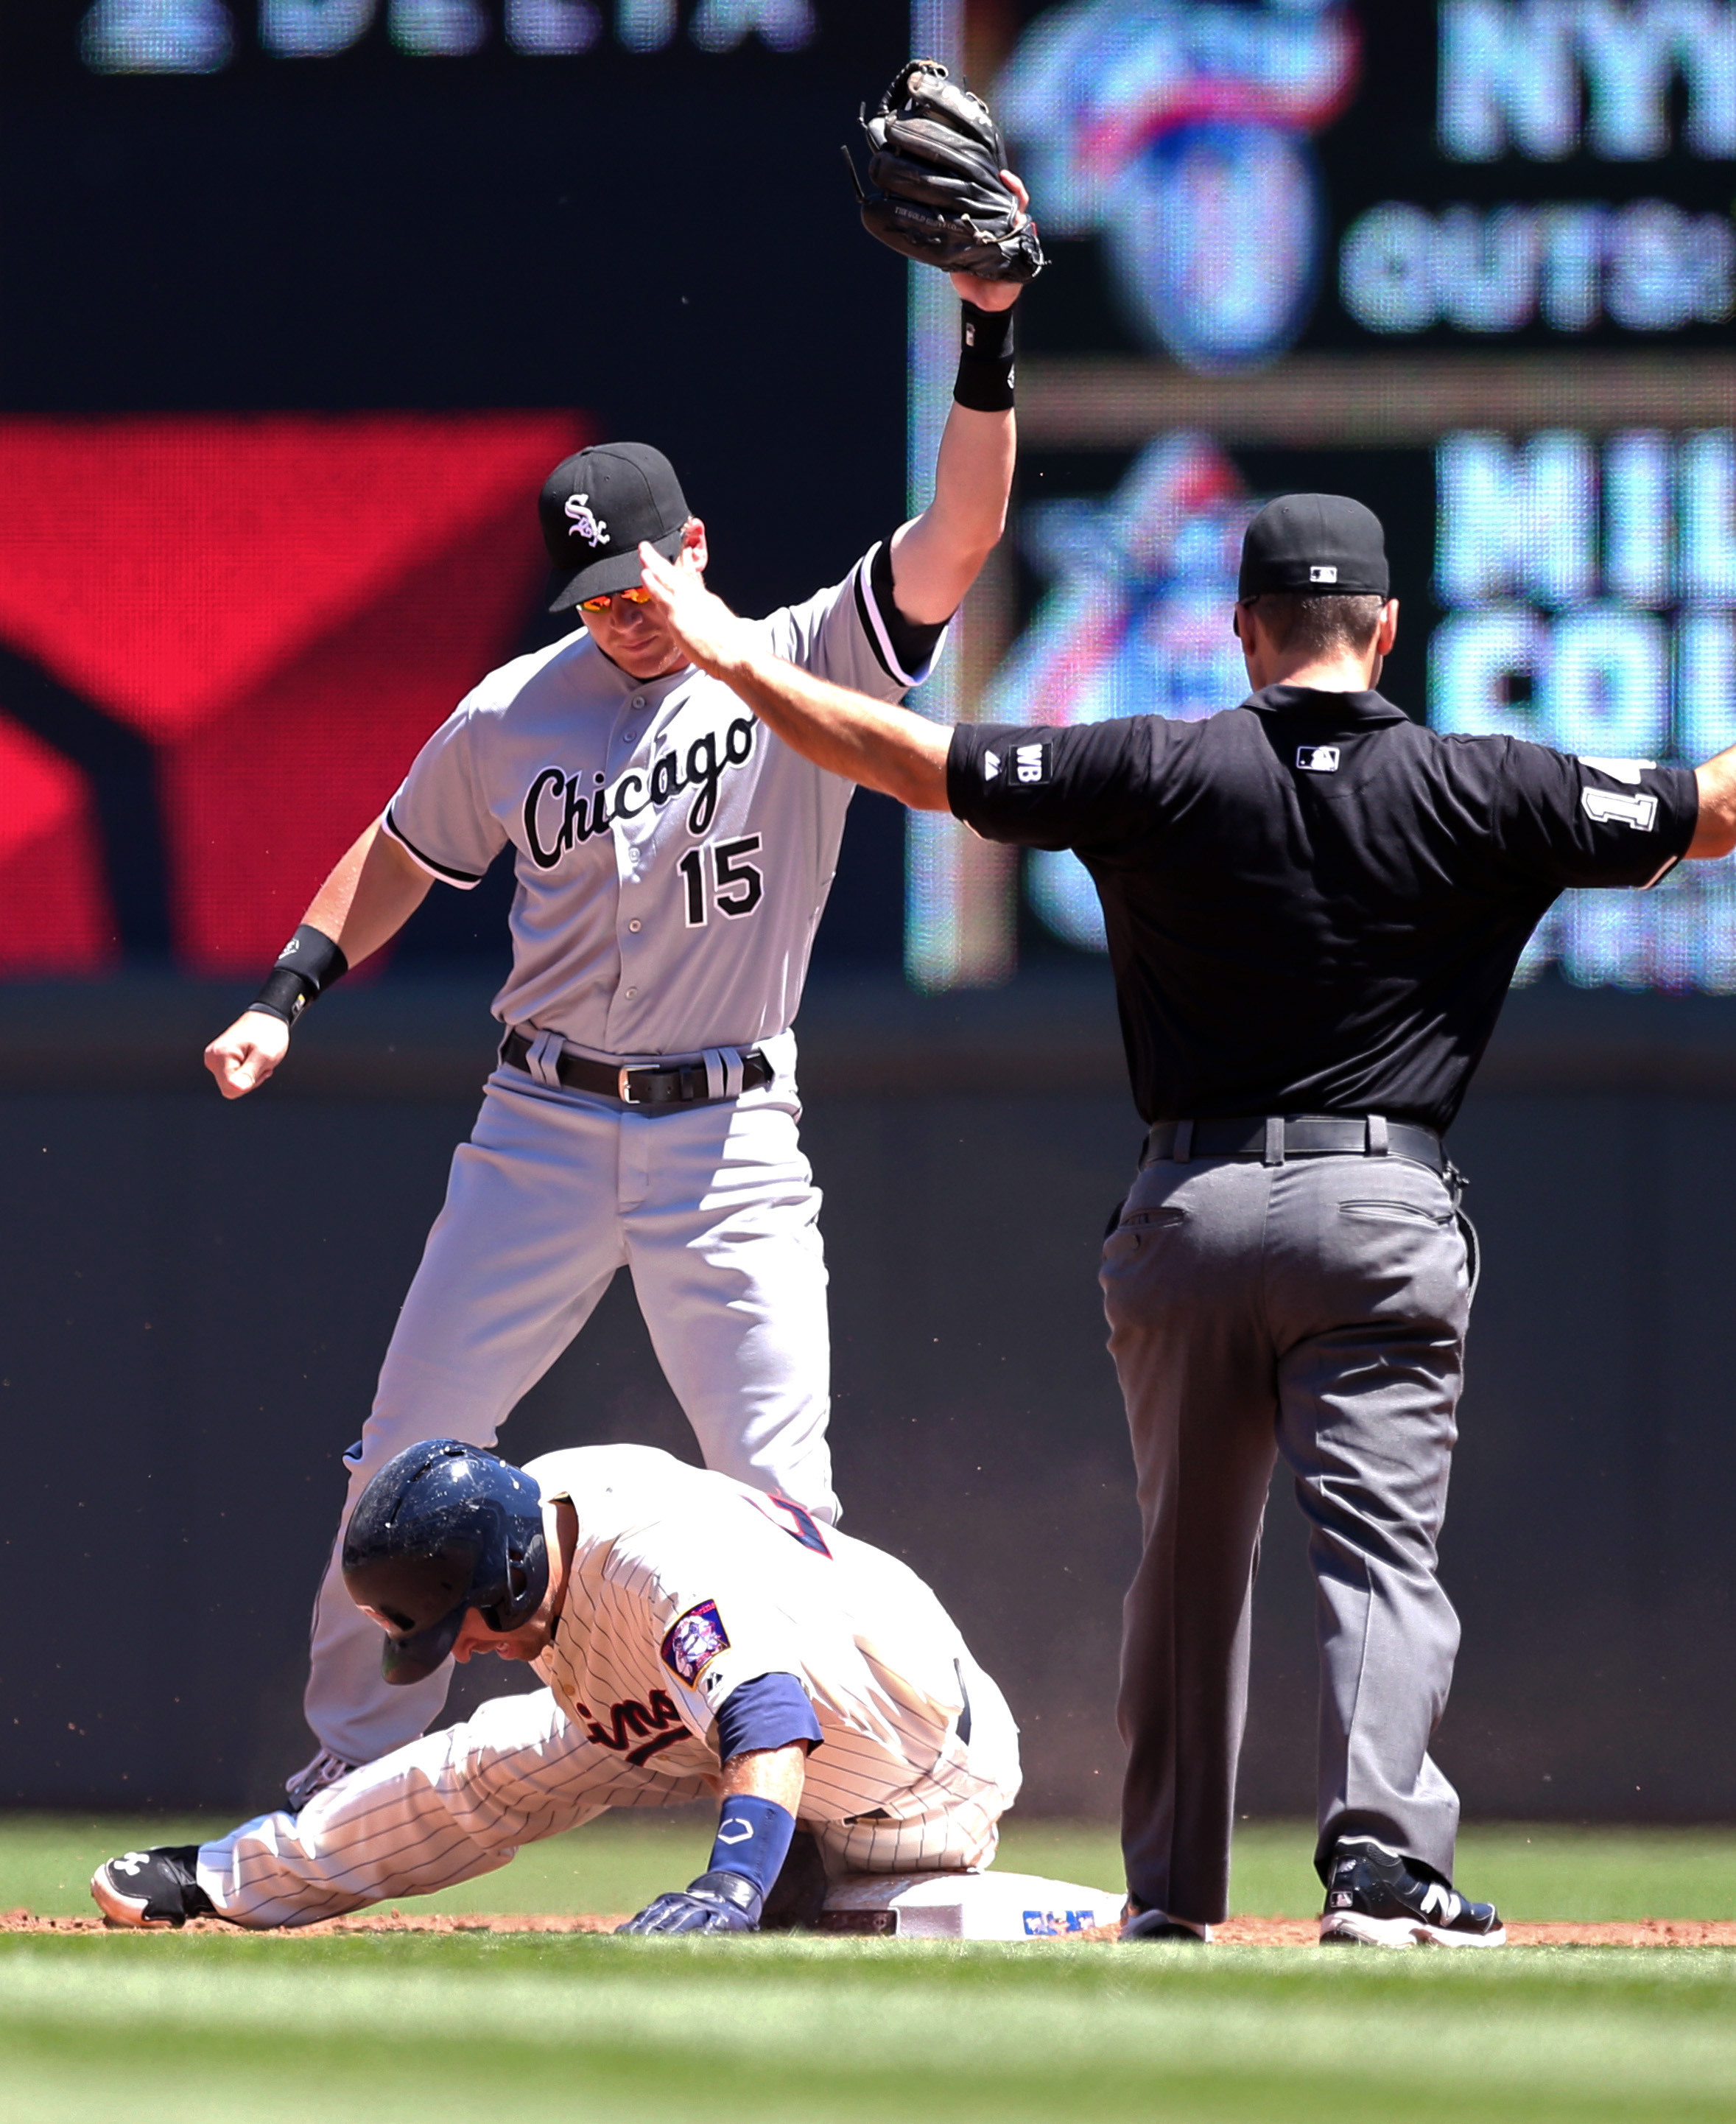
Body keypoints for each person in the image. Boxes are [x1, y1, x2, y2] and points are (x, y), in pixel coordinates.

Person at [624, 495, 1736, 1948]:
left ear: (1242, 628)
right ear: (1385, 628)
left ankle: (1170, 1897)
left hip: (1189, 1206)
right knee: (1378, 1562)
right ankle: (1379, 1873)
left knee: (1184, 1567)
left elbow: (906, 757)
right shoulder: (1483, 781)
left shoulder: (1158, 764)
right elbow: (1709, 810)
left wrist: (727, 653)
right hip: (1379, 1211)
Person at [198, 231, 1029, 1810]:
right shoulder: (517, 708)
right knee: (405, 1452)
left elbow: (963, 530)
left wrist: (985, 334)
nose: (620, 618)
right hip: (543, 1121)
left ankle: (831, 1799)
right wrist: (289, 986)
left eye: (638, 583)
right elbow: (399, 847)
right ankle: (344, 1778)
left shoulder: (801, 655)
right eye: (591, 595)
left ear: (694, 548)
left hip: (728, 1130)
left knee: (780, 1496)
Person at [91, 1437, 1022, 1931]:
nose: (455, 1653)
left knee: (826, 1907)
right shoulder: (537, 1515)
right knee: (479, 1766)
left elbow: (768, 1714)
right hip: (696, 1702)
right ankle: (222, 1880)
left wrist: (731, 1884)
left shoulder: (662, 1563)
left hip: (917, 1768)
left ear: (509, 1573)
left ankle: (813, 1865)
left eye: (462, 1628)